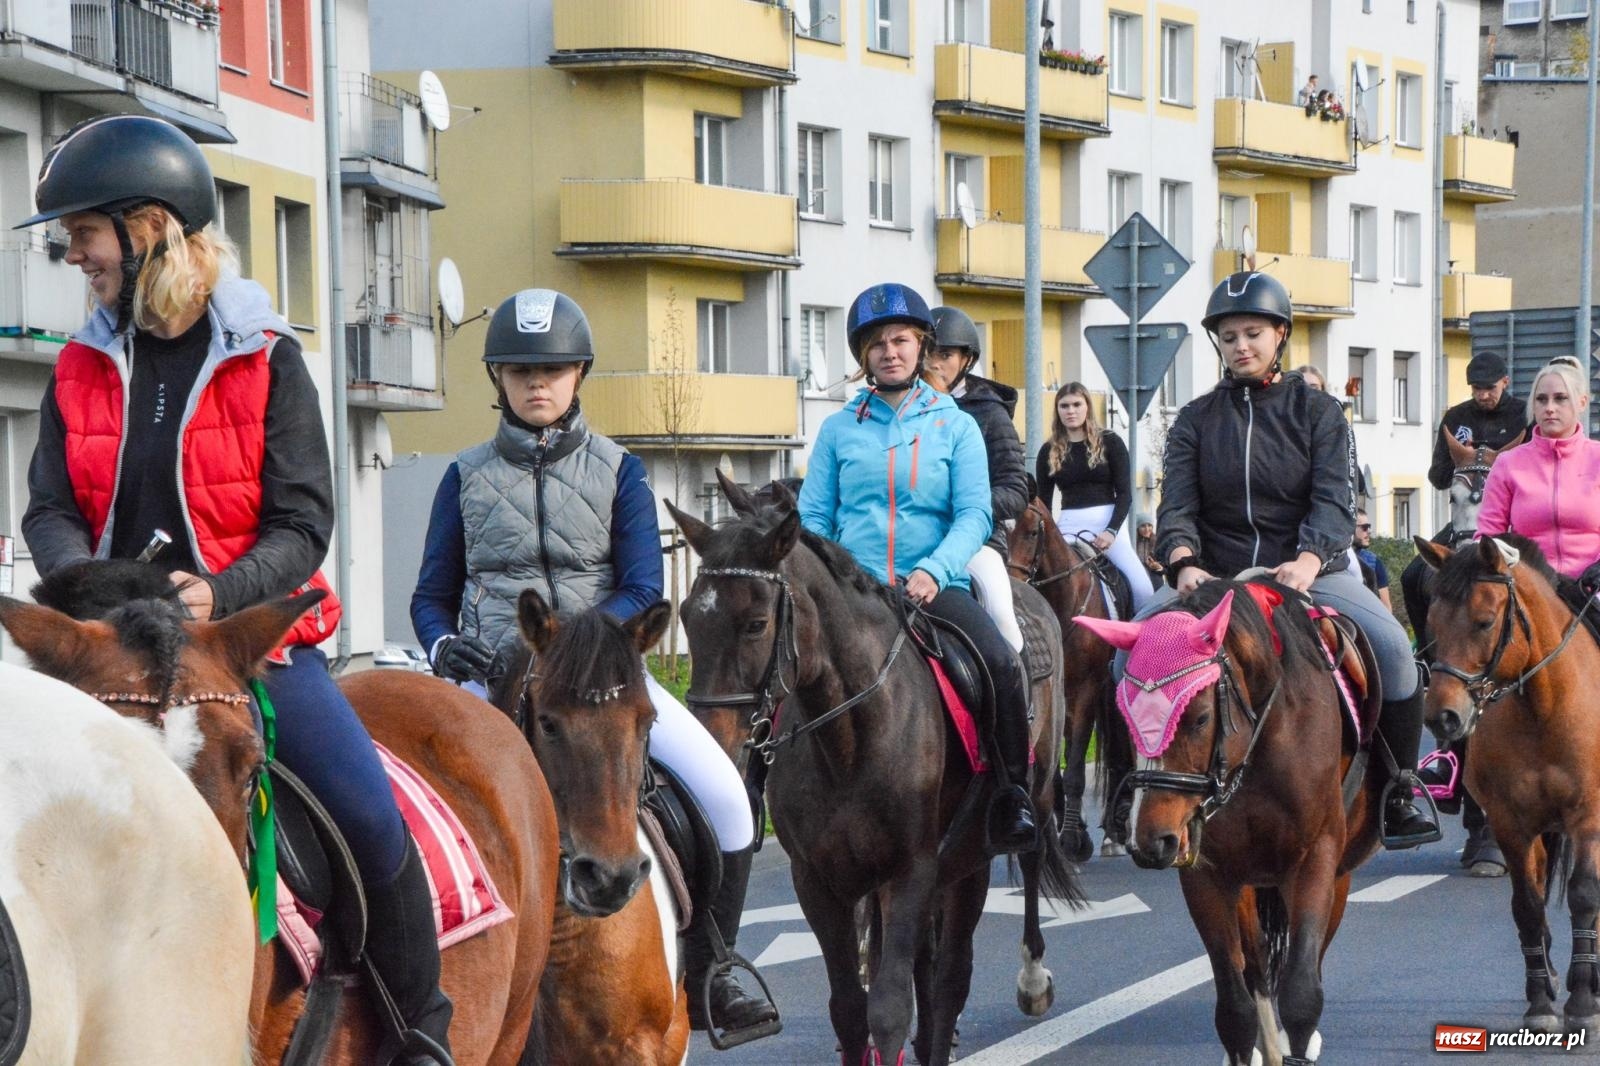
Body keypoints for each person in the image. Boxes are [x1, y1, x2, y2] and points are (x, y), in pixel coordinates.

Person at [16, 115, 454, 1063]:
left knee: (368, 814)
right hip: (106, 643)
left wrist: (222, 593)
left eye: (82, 234)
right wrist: (85, 595)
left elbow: (303, 524)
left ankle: (422, 1029)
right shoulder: (79, 366)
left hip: (243, 638)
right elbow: (46, 506)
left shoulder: (268, 358)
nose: (71, 255)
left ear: (148, 229)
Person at [408, 289, 775, 1039]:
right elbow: (430, 597)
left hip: (604, 676)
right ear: (498, 381)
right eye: (518, 371)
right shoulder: (464, 476)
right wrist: (446, 645)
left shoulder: (621, 471)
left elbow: (642, 585)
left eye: (553, 370)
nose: (536, 385)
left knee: (727, 799)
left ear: (579, 375)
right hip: (492, 675)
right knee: (405, 814)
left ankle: (713, 968)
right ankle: (403, 981)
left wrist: (574, 646)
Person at [1137, 271, 1439, 849]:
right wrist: (1181, 560)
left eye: (1252, 333)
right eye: (1229, 337)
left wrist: (1307, 558)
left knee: (1397, 652)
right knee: (1126, 657)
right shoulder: (1195, 420)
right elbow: (1176, 503)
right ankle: (1140, 786)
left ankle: (1400, 789)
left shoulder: (1321, 413)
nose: (1241, 346)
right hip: (1215, 578)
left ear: (1280, 335)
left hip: (1307, 574)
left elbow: (1334, 500)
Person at [798, 282, 1037, 854]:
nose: (889, 351)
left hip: (935, 586)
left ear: (921, 346)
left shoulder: (955, 425)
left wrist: (933, 570)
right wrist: (833, 578)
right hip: (854, 592)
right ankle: (762, 784)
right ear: (864, 357)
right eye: (876, 343)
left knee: (1001, 663)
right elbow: (813, 518)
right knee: (782, 668)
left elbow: (975, 512)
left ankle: (1012, 796)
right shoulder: (836, 430)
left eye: (900, 340)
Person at [1409, 350, 1528, 874]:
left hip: (1509, 532)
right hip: (1463, 527)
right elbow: (1437, 477)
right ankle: (1432, 652)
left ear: (1504, 383)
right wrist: (1462, 462)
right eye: (1475, 387)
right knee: (1416, 575)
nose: (1482, 395)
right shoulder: (1453, 417)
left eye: (1489, 387)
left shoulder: (1523, 414)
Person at [923, 305, 1029, 653]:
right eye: (928, 352)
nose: (934, 362)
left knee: (1001, 618)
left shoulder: (989, 414)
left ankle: (1019, 699)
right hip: (912, 536)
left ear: (966, 360)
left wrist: (964, 506)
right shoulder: (906, 410)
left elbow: (1015, 490)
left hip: (975, 541)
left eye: (945, 354)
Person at [1476, 356, 1600, 593]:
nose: (1550, 408)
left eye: (1561, 398)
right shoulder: (1508, 464)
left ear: (1582, 402)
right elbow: (1488, 535)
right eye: (1541, 399)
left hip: (1592, 586)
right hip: (1528, 588)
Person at [1035, 382, 1153, 613]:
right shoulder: (1047, 450)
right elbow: (1044, 503)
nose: (1071, 411)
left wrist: (1111, 531)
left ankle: (1144, 644)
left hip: (1109, 526)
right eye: (1064, 406)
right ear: (1057, 410)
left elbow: (1126, 494)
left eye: (1077, 404)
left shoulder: (1111, 442)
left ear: (1087, 406)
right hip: (1067, 527)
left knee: (1143, 590)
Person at [1354, 508, 1393, 610]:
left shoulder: (1374, 561)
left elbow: (1386, 606)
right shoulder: (1331, 558)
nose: (1369, 532)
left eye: (1369, 527)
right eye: (1365, 527)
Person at [1134, 513, 1164, 591]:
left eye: (1149, 525)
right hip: (1137, 575)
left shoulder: (1158, 541)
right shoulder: (1133, 541)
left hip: (1154, 576)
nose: (1147, 529)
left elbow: (1165, 566)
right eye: (1143, 526)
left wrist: (1158, 567)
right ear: (1137, 527)